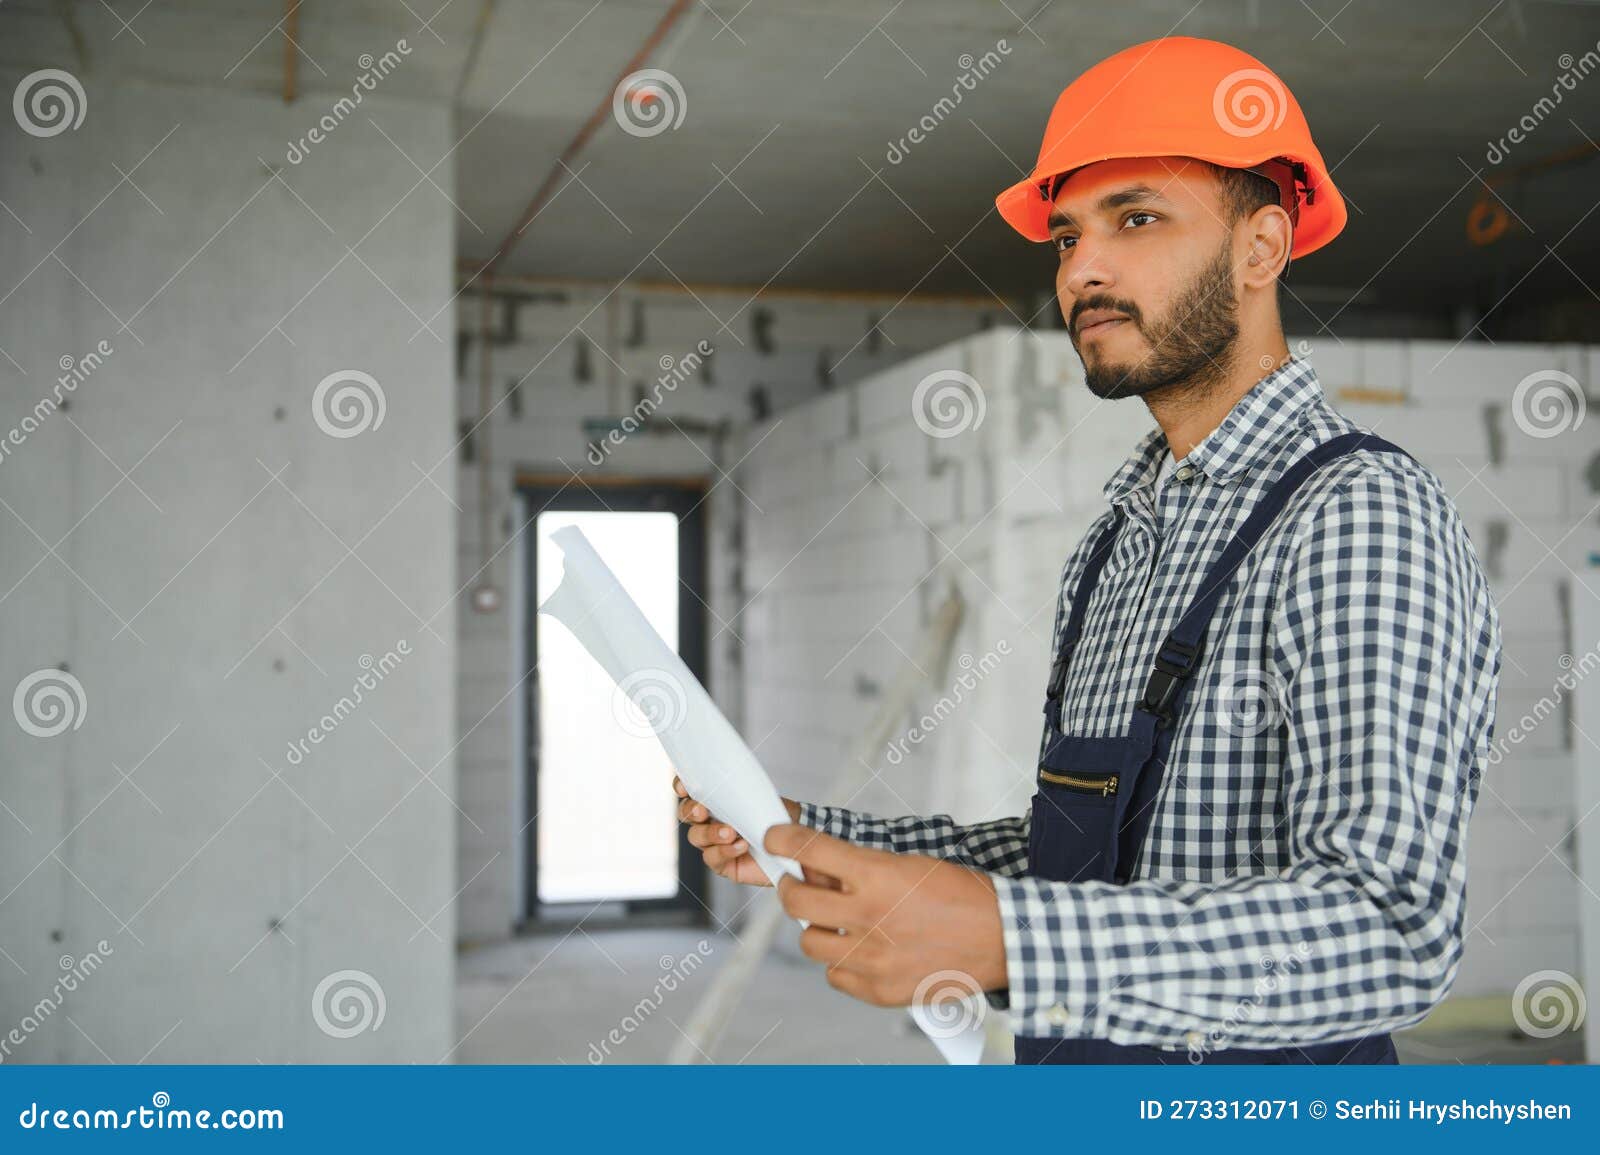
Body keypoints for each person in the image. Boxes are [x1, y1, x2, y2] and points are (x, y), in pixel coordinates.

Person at [676, 35, 1501, 1064]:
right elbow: (1093, 855)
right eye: (1066, 237)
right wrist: (828, 840)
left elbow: (1390, 929)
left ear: (1262, 248)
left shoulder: (1358, 517)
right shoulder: (1120, 537)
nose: (1085, 269)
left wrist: (1010, 939)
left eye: (1136, 218)